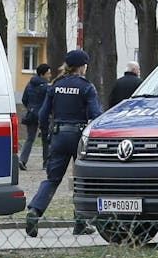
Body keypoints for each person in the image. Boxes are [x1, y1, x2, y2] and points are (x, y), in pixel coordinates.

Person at [25, 49, 103, 237]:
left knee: (52, 179)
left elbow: (43, 114)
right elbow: (95, 114)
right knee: (82, 179)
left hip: (58, 136)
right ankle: (80, 221)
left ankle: (35, 211)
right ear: (81, 66)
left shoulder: (55, 85)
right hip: (78, 137)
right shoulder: (86, 87)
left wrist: (47, 133)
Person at [19, 63, 52, 171]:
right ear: (42, 74)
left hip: (31, 115)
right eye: (48, 73)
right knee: (45, 140)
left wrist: (30, 108)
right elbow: (49, 102)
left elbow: (24, 99)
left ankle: (22, 160)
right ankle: (46, 163)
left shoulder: (29, 84)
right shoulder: (46, 87)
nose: (50, 75)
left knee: (29, 139)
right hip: (43, 116)